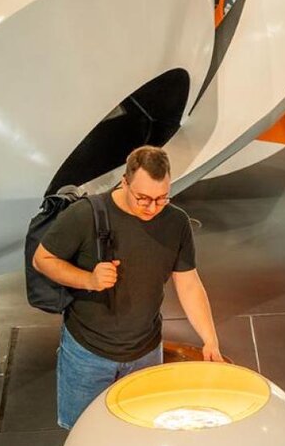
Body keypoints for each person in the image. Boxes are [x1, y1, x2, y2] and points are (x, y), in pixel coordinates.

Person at [33, 146, 224, 428]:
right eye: (143, 198)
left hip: (145, 352)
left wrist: (210, 338)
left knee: (141, 431)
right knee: (84, 434)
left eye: (162, 198)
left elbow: (189, 283)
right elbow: (42, 259)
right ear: (124, 182)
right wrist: (89, 279)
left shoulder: (176, 222)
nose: (152, 207)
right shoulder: (84, 215)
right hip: (88, 353)